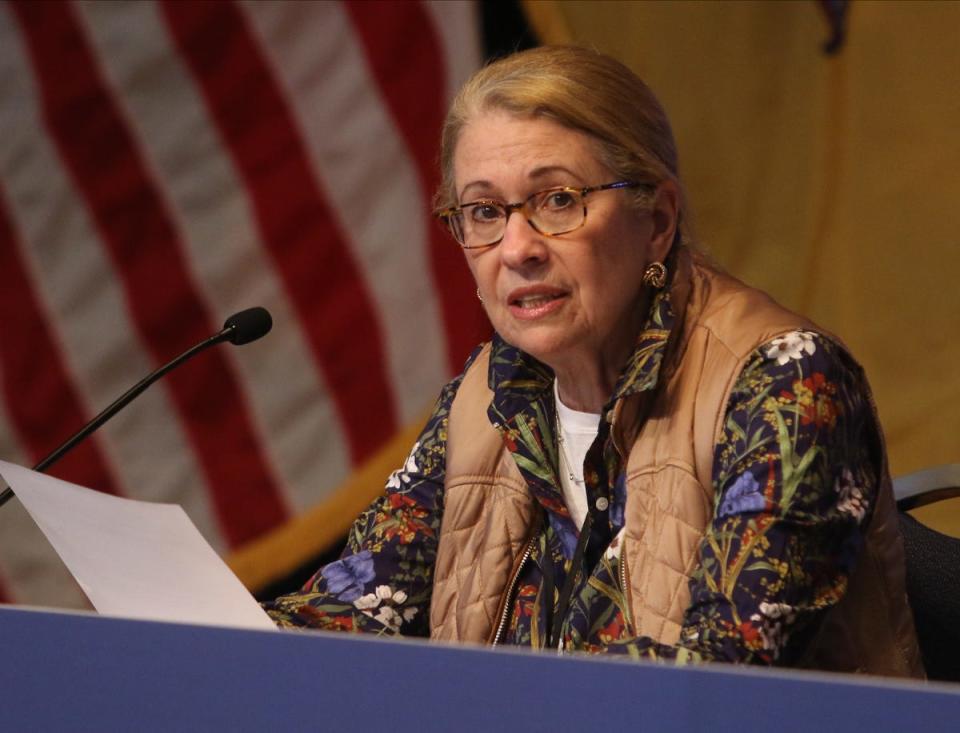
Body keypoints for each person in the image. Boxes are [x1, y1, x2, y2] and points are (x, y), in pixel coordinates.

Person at [264, 45, 923, 676]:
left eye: (557, 200)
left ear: (657, 221)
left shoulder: (787, 382)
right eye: (485, 211)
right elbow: (354, 609)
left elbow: (725, 668)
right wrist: (202, 634)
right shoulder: (487, 397)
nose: (517, 247)